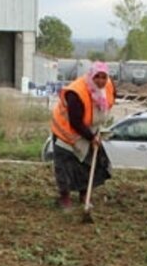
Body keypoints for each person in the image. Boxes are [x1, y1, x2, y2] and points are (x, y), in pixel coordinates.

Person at [49, 61, 115, 209]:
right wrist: (91, 138)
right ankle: (64, 197)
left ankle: (84, 194)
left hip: (89, 129)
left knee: (88, 164)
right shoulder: (76, 93)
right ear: (91, 76)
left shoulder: (108, 87)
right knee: (65, 167)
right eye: (97, 77)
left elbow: (107, 105)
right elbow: (76, 122)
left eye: (104, 77)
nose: (101, 81)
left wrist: (95, 133)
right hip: (66, 132)